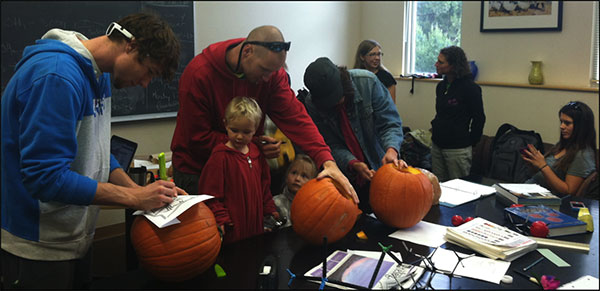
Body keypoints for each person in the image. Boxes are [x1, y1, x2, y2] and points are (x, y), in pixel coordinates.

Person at [1, 13, 185, 289]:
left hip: (73, 237)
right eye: (148, 71)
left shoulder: (99, 74)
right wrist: (134, 198)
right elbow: (45, 178)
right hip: (37, 243)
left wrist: (138, 191)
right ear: (131, 45)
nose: (146, 83)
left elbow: (96, 149)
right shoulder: (57, 76)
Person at [170, 25, 358, 203]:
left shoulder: (272, 75)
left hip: (244, 167)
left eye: (275, 71)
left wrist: (327, 160)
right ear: (247, 52)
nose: (268, 78)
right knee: (207, 232)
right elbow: (198, 139)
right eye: (265, 70)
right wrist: (253, 145)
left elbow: (296, 118)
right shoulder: (199, 75)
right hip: (197, 171)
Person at [303, 57, 407, 213]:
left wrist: (391, 149)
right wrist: (353, 163)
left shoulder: (367, 82)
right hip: (347, 177)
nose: (336, 103)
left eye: (339, 97)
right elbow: (329, 144)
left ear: (343, 82)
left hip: (381, 167)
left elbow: (390, 122)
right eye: (330, 102)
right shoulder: (312, 104)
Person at [199, 97, 279, 244]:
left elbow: (264, 186)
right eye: (234, 130)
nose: (239, 136)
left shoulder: (256, 154)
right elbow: (210, 194)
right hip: (233, 228)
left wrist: (269, 209)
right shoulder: (220, 157)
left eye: (247, 132)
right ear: (226, 124)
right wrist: (221, 218)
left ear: (255, 129)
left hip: (255, 227)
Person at [430, 46, 486, 182]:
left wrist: (470, 142)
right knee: (439, 187)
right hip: (437, 145)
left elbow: (479, 118)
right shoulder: (441, 86)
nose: (436, 65)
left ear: (454, 65)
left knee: (458, 188)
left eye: (441, 62)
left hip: (457, 149)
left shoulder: (470, 88)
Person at [522, 101, 597, 197]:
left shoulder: (583, 155)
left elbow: (568, 191)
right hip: (529, 189)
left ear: (581, 127)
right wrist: (534, 164)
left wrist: (543, 166)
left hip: (545, 202)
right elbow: (545, 176)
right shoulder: (562, 145)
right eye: (561, 122)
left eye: (567, 123)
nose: (562, 126)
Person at [265, 154, 318, 230]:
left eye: (304, 176)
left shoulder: (314, 206)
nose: (297, 178)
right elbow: (268, 226)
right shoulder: (276, 203)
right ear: (286, 176)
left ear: (312, 182)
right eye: (294, 173)